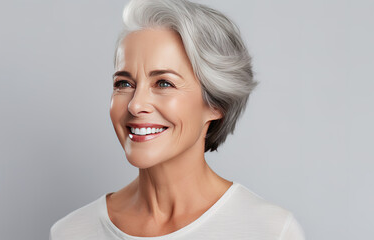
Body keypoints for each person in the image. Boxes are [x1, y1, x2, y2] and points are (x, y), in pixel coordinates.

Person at [50, 0, 305, 239]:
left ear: (216, 103)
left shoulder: (269, 231)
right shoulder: (71, 232)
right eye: (124, 83)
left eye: (163, 82)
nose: (135, 104)